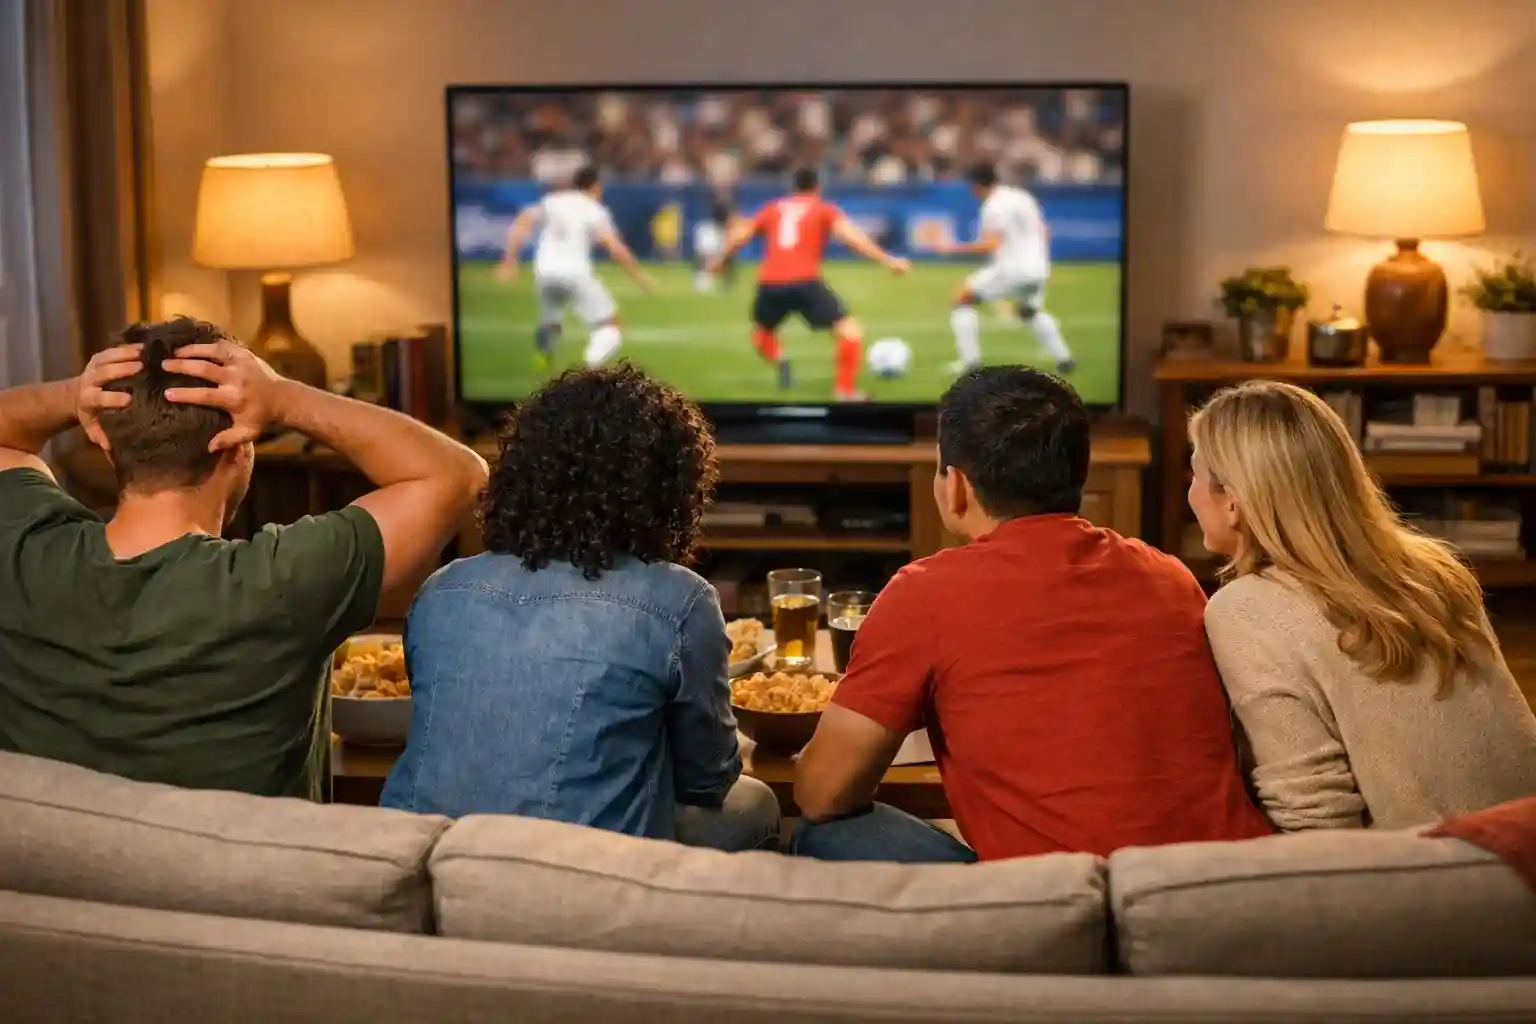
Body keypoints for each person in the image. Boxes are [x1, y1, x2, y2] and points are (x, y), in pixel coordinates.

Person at [792, 366, 1272, 862]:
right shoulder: (1169, 575)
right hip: (1222, 892)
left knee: (820, 833)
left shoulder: (923, 594)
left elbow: (823, 794)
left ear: (955, 486)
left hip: (1072, 909)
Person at [0, 317, 488, 799]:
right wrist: (282, 397)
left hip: (50, 878)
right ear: (239, 450)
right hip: (244, 879)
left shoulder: (23, 553)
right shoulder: (278, 584)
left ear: (108, 449)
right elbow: (458, 474)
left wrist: (78, 394)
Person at [381, 364, 779, 851]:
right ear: (668, 491)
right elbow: (708, 781)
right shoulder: (680, 601)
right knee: (757, 804)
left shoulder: (443, 589)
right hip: (577, 881)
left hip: (422, 857)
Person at [1189, 380, 1536, 831]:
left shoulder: (1245, 610)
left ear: (1232, 501)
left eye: (1194, 471)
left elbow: (1318, 825)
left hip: (1444, 884)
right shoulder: (1435, 570)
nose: (1191, 491)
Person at [707, 167, 911, 402]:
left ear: (792, 187)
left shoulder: (773, 208)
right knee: (850, 333)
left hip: (770, 283)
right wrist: (888, 260)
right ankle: (844, 391)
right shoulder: (822, 208)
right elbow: (851, 237)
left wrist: (720, 261)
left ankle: (781, 360)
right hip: (804, 281)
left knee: (761, 333)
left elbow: (740, 235)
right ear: (817, 187)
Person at [498, 165, 653, 369]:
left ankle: (544, 351)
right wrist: (639, 275)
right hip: (575, 273)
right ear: (595, 186)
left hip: (544, 272)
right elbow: (615, 247)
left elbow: (523, 220)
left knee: (552, 318)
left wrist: (509, 260)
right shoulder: (594, 209)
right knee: (611, 325)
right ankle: (590, 367)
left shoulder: (553, 200)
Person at [936, 163, 1076, 376]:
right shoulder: (1022, 197)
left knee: (961, 299)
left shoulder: (993, 205)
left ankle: (970, 362)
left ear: (976, 185)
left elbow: (990, 245)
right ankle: (1064, 359)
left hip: (1012, 268)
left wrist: (952, 247)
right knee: (1029, 311)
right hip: (1038, 268)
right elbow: (1045, 230)